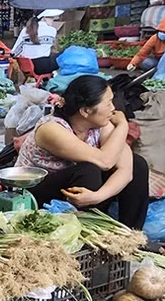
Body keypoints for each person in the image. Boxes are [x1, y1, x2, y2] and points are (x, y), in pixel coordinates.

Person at [15, 75, 149, 229]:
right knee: (89, 169)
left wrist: (98, 196)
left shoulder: (99, 123)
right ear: (86, 111)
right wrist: (123, 126)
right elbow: (105, 161)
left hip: (78, 191)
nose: (114, 108)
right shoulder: (51, 128)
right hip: (35, 193)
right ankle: (90, 235)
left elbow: (126, 169)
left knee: (138, 164)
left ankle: (131, 234)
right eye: (108, 103)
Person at [12, 9, 63, 75]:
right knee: (65, 52)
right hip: (43, 67)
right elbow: (53, 48)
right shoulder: (52, 30)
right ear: (44, 18)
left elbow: (14, 52)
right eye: (51, 17)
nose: (53, 20)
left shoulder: (25, 30)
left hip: (27, 67)